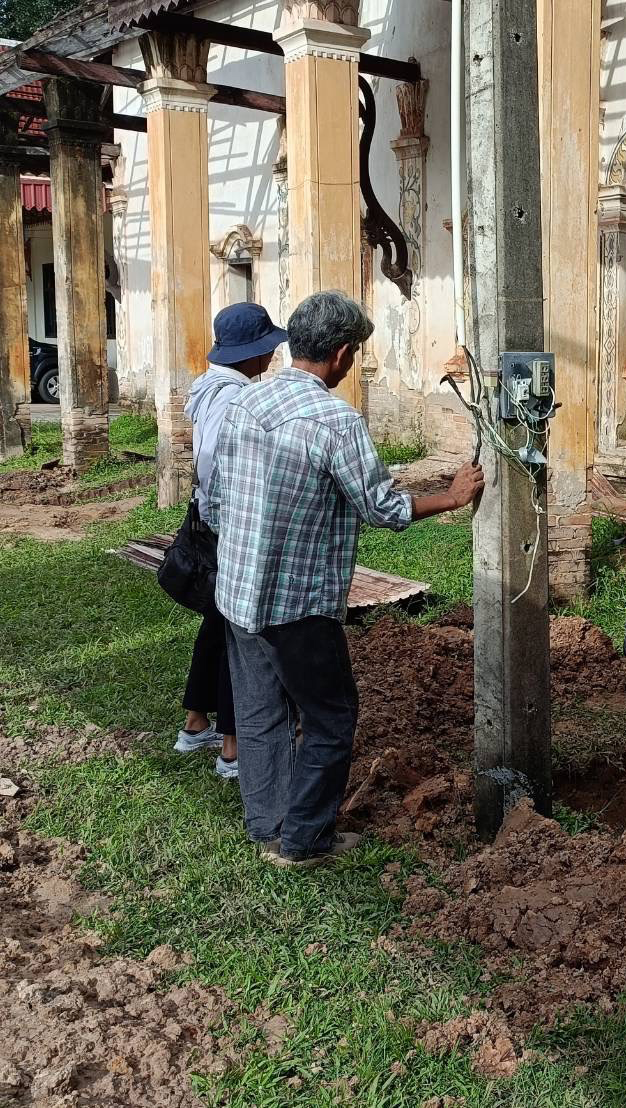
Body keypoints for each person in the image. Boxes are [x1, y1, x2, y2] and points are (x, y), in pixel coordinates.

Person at [209, 291, 484, 868]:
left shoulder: (243, 404)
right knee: (331, 719)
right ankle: (303, 840)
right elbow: (382, 508)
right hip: (298, 602)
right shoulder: (336, 420)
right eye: (354, 353)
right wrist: (452, 497)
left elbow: (214, 499)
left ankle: (267, 825)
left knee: (260, 716)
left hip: (236, 592)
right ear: (341, 354)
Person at [174, 303, 288, 779]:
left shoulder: (213, 389)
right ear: (251, 354)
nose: (272, 357)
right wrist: (235, 522)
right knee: (241, 633)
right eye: (267, 348)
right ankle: (232, 749)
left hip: (209, 520)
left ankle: (196, 721)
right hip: (228, 526)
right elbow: (217, 469)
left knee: (218, 625)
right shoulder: (233, 400)